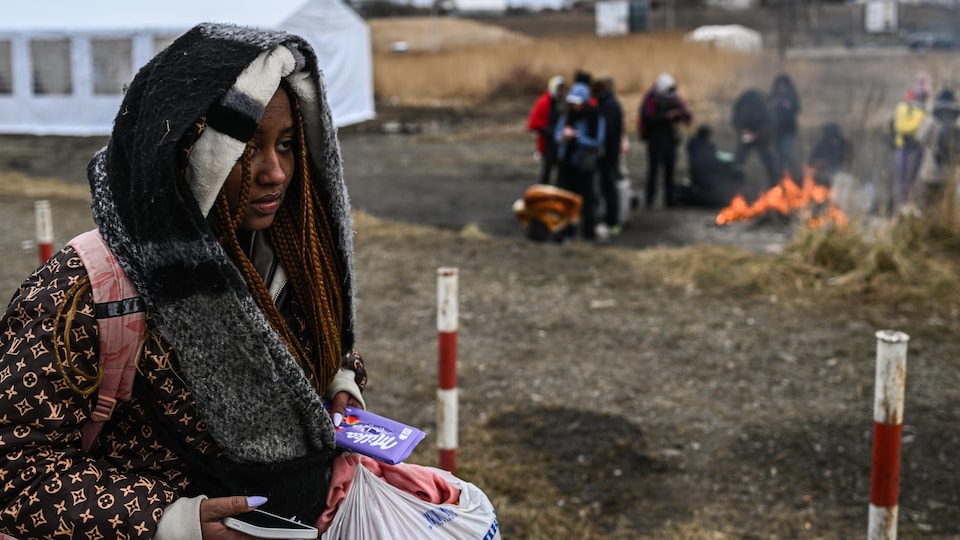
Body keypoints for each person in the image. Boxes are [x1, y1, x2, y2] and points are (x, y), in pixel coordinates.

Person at [0, 23, 368, 538]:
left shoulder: (297, 262)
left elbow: (317, 352)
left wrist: (340, 381)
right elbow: (14, 469)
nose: (276, 172)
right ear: (183, 150)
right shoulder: (83, 291)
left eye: (286, 145)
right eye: (246, 146)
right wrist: (172, 523)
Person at [555, 81, 605, 242]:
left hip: (586, 165)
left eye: (577, 103)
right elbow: (557, 135)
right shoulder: (566, 116)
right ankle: (567, 233)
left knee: (587, 200)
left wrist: (577, 137)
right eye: (572, 103)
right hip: (568, 164)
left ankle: (588, 234)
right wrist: (564, 136)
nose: (574, 106)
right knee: (567, 199)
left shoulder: (595, 117)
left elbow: (597, 142)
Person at [638, 72, 692, 208]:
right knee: (653, 172)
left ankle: (669, 199)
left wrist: (680, 115)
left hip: (670, 141)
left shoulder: (675, 99)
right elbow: (648, 119)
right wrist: (667, 116)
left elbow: (686, 115)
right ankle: (650, 200)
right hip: (655, 142)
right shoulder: (650, 99)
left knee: (670, 173)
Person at [892, 72, 931, 209]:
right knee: (903, 179)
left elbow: (928, 129)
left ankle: (915, 206)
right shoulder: (903, 107)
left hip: (918, 147)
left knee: (917, 179)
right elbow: (901, 126)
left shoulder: (925, 109)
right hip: (904, 147)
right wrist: (919, 124)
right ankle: (903, 206)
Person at [680, 124, 744, 208]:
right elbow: (714, 161)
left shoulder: (694, 146)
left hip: (697, 177)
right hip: (706, 179)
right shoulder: (708, 147)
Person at [592, 75, 624, 236]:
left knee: (608, 187)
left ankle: (611, 220)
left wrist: (603, 149)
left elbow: (609, 132)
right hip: (609, 153)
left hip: (608, 155)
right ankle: (610, 219)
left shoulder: (609, 106)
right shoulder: (609, 103)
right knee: (606, 187)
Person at [731, 87, 780, 189]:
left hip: (762, 137)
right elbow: (736, 121)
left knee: (768, 159)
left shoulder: (765, 109)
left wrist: (757, 135)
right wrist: (742, 131)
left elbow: (769, 126)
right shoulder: (741, 106)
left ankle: (775, 184)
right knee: (739, 159)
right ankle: (735, 183)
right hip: (746, 135)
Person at [527, 75, 567, 185]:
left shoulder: (564, 102)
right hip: (547, 143)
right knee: (547, 171)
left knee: (562, 171)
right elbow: (533, 123)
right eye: (559, 89)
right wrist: (549, 130)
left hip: (561, 143)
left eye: (562, 89)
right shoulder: (543, 102)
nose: (561, 92)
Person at [768, 73, 802, 180]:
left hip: (789, 130)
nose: (781, 87)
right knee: (777, 154)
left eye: (783, 85)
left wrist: (787, 106)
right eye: (779, 85)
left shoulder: (792, 95)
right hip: (776, 131)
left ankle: (794, 172)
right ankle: (780, 176)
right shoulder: (773, 95)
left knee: (786, 152)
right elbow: (767, 107)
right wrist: (775, 104)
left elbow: (796, 109)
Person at [808, 122, 849, 186]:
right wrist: (813, 164)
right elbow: (814, 155)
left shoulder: (840, 143)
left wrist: (824, 162)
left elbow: (839, 158)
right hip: (822, 171)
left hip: (836, 170)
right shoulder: (823, 143)